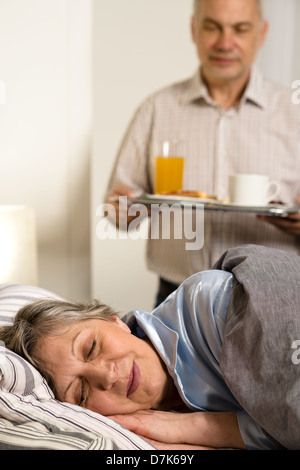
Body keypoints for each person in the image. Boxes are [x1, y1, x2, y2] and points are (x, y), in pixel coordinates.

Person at [2, 244, 300, 450]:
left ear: (113, 321)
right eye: (81, 392)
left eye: (91, 347)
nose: (106, 377)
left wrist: (204, 429)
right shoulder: (148, 431)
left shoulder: (211, 305)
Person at [105, 0, 300, 305]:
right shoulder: (156, 109)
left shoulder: (294, 113)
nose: (225, 42)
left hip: (275, 298)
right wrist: (123, 211)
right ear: (193, 30)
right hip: (177, 297)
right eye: (212, 27)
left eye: (240, 29)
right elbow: (117, 212)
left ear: (261, 34)